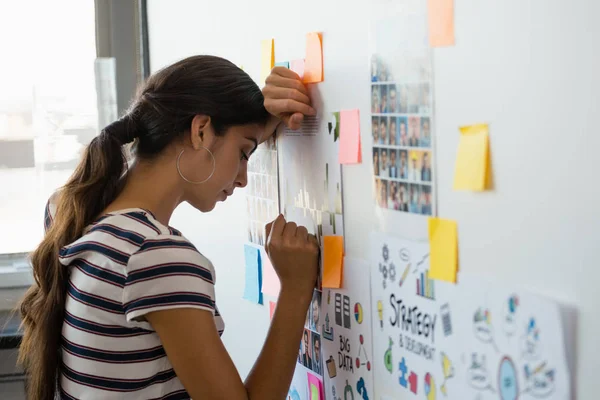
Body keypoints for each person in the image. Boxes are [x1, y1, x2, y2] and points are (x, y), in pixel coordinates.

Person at [18, 57, 320, 400]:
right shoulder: (157, 257)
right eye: (244, 153)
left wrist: (259, 123)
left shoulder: (70, 210)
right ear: (201, 130)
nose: (242, 179)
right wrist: (295, 289)